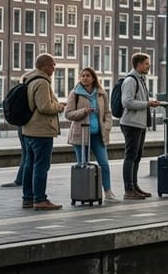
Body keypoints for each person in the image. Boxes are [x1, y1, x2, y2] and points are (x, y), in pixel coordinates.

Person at [20, 54, 66, 210]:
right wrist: (60, 106)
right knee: (41, 166)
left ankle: (28, 198)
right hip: (41, 131)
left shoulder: (29, 80)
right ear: (45, 66)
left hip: (28, 130)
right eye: (53, 65)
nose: (54, 68)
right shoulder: (42, 82)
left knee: (29, 164)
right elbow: (44, 107)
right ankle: (40, 199)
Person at [65, 67, 116, 201]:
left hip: (98, 135)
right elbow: (68, 114)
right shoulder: (75, 93)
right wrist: (84, 111)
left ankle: (108, 192)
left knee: (104, 163)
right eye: (82, 76)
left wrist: (107, 126)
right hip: (80, 136)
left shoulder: (101, 93)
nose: (85, 78)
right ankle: (84, 193)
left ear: (93, 78)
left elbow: (107, 113)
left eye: (88, 76)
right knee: (82, 164)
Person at [120, 52, 161, 200]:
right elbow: (127, 102)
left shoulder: (141, 79)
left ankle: (134, 186)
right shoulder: (131, 80)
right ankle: (128, 189)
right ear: (138, 65)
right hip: (131, 123)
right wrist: (147, 104)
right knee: (130, 156)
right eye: (146, 63)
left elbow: (137, 99)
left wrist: (150, 101)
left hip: (140, 123)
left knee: (136, 156)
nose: (149, 66)